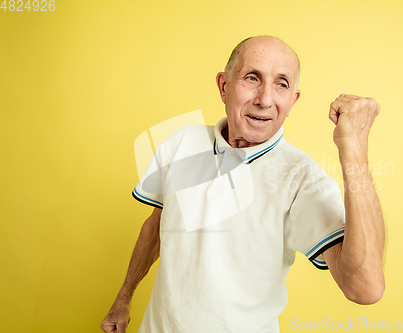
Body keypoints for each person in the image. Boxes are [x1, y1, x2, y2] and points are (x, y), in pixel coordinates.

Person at [101, 35, 385, 333]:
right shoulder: (183, 140)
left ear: (292, 101)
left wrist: (354, 149)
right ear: (224, 86)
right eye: (252, 77)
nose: (265, 99)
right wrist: (123, 299)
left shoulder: (303, 178)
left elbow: (364, 288)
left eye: (281, 84)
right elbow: (157, 225)